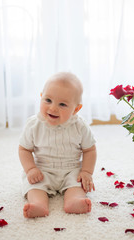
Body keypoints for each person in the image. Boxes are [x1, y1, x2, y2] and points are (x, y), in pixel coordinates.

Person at [19, 72, 97, 218]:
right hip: (42, 170)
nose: (53, 108)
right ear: (41, 96)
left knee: (77, 185)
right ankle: (38, 205)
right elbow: (24, 149)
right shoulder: (33, 125)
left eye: (62, 104)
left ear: (76, 109)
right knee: (34, 187)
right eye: (48, 100)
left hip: (71, 170)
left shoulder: (80, 126)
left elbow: (90, 149)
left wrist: (86, 172)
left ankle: (74, 201)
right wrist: (30, 169)